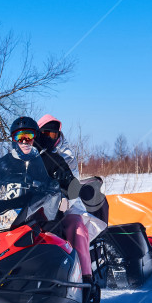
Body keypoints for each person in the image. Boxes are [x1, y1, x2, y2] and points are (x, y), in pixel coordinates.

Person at [34, 114, 96, 285]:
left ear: (58, 135)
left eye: (53, 135)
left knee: (76, 227)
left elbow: (73, 183)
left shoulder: (65, 155)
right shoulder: (30, 153)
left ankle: (85, 278)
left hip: (66, 206)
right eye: (45, 133)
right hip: (35, 206)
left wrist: (65, 198)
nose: (49, 138)